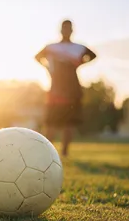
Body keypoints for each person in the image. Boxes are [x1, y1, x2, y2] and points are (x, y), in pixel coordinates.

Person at [35, 19, 96, 157]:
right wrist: (48, 68)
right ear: (60, 30)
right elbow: (37, 57)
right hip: (56, 86)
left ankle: (64, 152)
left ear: (72, 30)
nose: (66, 31)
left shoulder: (78, 48)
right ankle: (46, 153)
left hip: (72, 87)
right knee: (51, 121)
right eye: (64, 28)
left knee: (69, 122)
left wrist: (79, 63)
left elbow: (92, 56)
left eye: (69, 28)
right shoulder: (51, 47)